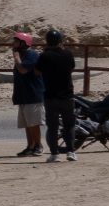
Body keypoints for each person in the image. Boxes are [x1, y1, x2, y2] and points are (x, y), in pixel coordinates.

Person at [37, 29, 78, 163]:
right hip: (67, 95)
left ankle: (55, 154)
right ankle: (71, 151)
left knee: (52, 126)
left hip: (50, 96)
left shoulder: (44, 56)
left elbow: (37, 72)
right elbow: (71, 68)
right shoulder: (68, 54)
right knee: (69, 125)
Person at [10, 31, 45, 157]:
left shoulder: (32, 55)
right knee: (27, 123)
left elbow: (23, 70)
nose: (13, 44)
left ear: (23, 43)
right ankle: (30, 146)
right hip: (23, 94)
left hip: (33, 94)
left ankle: (38, 145)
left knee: (33, 123)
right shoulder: (22, 55)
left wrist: (16, 57)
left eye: (16, 41)